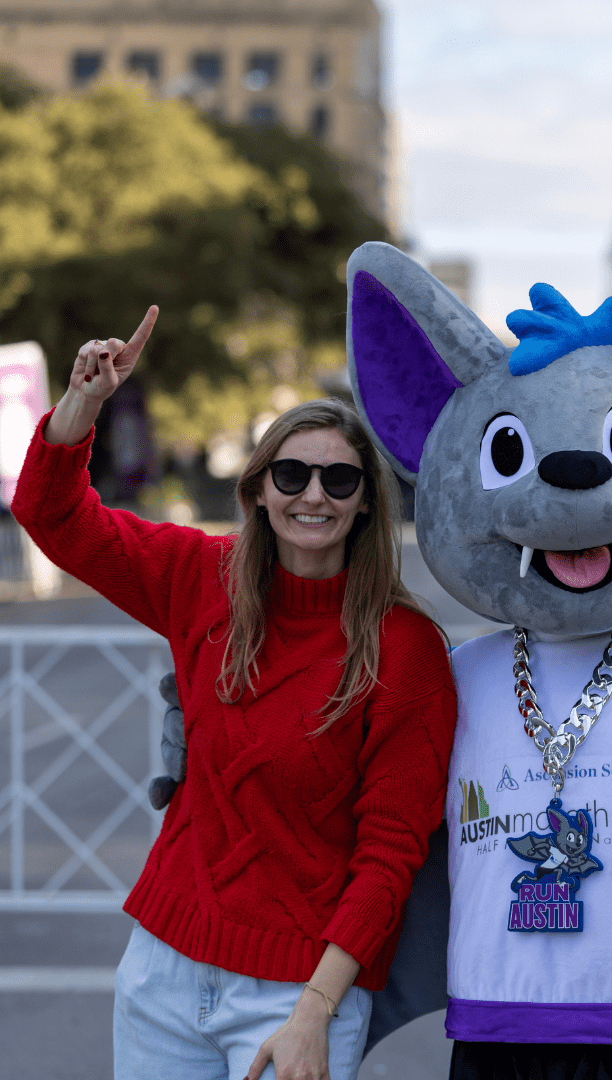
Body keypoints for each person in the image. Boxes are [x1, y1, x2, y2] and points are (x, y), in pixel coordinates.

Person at [11, 307, 457, 1080]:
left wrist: (315, 1012)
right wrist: (83, 404)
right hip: (163, 967)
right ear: (258, 490)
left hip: (297, 993)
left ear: (363, 504)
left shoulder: (404, 649)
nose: (312, 495)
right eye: (291, 474)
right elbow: (52, 516)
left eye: (338, 479)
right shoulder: (200, 579)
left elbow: (388, 856)